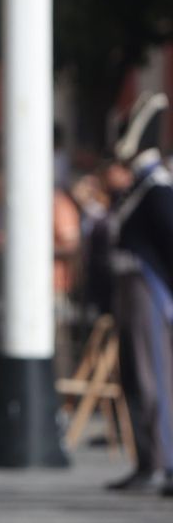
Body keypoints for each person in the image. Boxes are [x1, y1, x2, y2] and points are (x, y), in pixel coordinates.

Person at [102, 92, 173, 495]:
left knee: (152, 378)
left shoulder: (156, 188)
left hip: (149, 288)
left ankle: (161, 461)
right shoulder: (139, 187)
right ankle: (147, 458)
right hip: (132, 286)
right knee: (135, 377)